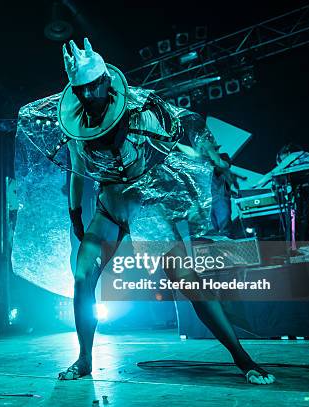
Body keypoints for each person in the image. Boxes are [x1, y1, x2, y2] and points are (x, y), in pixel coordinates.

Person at [16, 39, 274, 385]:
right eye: (81, 89)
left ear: (107, 81)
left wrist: (207, 164)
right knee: (82, 277)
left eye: (94, 85)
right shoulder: (78, 128)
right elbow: (77, 171)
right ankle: (84, 359)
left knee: (189, 283)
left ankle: (244, 359)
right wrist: (75, 214)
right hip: (108, 210)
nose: (89, 94)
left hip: (147, 208)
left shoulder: (140, 114)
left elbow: (175, 147)